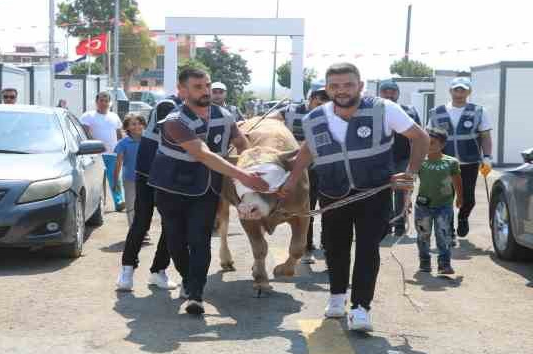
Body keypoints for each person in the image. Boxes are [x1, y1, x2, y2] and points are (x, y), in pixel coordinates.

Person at [280, 62, 429, 332]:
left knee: (367, 249)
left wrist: (410, 173)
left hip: (374, 192)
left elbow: (420, 137)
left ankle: (361, 308)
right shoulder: (314, 118)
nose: (342, 90)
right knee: (335, 248)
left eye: (348, 84)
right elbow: (308, 149)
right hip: (332, 193)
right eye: (335, 86)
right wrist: (291, 180)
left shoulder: (384, 109)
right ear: (327, 89)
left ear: (360, 85)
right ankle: (337, 297)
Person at [148, 68, 269, 315]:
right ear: (182, 91)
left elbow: (242, 146)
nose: (205, 91)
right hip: (170, 187)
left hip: (206, 188)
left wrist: (257, 168)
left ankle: (195, 294)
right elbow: (203, 154)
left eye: (206, 85)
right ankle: (188, 278)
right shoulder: (174, 121)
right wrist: (244, 176)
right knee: (175, 239)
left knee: (200, 238)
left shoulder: (225, 116)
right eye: (197, 87)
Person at [116, 94, 183, 292]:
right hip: (147, 179)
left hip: (169, 182)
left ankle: (158, 271)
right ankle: (127, 271)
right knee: (140, 223)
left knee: (169, 226)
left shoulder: (181, 128)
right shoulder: (153, 131)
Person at [268, 87, 330, 263]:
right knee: (306, 209)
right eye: (318, 103)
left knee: (328, 208)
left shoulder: (334, 114)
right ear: (309, 99)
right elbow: (271, 122)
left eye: (326, 104)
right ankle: (306, 247)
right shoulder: (290, 111)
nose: (321, 108)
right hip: (297, 170)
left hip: (324, 168)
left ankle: (328, 247)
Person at [428, 77, 493, 239]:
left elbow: (485, 136)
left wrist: (487, 157)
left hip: (469, 162)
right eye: (456, 89)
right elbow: (428, 137)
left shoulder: (479, 111)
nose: (459, 93)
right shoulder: (437, 112)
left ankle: (463, 217)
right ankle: (448, 229)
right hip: (444, 162)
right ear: (450, 91)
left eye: (463, 90)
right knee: (445, 197)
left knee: (468, 198)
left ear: (468, 92)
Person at [415, 127, 462, 275]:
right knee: (423, 235)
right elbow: (411, 181)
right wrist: (407, 201)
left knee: (444, 235)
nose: (428, 145)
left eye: (432, 143)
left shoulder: (451, 162)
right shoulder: (419, 161)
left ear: (442, 145)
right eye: (426, 142)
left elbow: (457, 181)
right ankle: (424, 262)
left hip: (444, 206)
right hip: (423, 207)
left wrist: (460, 197)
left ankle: (444, 264)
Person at [378, 80, 422, 237]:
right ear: (379, 93)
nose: (389, 94)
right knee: (383, 192)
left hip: (403, 158)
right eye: (385, 91)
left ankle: (400, 225)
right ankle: (385, 224)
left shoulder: (409, 110)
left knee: (402, 192)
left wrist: (415, 162)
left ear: (398, 93)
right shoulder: (372, 110)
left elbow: (419, 136)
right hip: (380, 160)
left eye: (393, 91)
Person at [80, 91, 125, 212]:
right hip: (96, 154)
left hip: (113, 153)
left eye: (106, 101)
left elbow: (119, 134)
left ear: (109, 103)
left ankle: (119, 201)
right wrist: (97, 145)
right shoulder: (88, 116)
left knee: (115, 178)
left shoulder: (114, 116)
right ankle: (95, 206)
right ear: (96, 102)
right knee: (96, 180)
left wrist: (123, 149)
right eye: (101, 100)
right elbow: (86, 133)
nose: (104, 103)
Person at [114, 114, 146, 227]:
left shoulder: (148, 140)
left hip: (146, 179)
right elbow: (118, 162)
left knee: (144, 205)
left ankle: (143, 230)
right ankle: (134, 230)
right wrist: (115, 180)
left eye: (139, 123)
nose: (137, 126)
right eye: (133, 124)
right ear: (127, 127)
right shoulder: (123, 143)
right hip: (129, 179)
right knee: (131, 205)